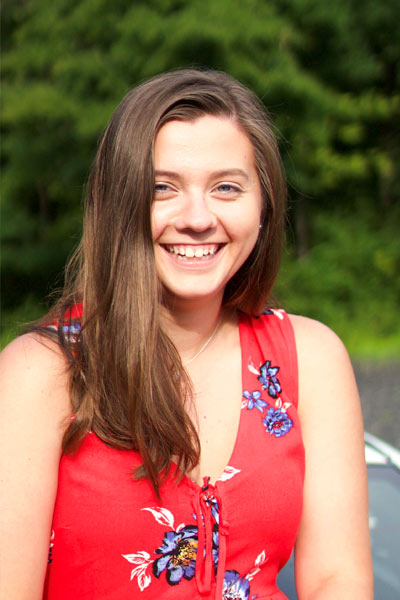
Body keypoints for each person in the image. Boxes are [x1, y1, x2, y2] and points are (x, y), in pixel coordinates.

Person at [0, 69, 372, 600]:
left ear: (263, 207)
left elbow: (339, 581)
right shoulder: (43, 372)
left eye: (226, 187)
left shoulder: (310, 360)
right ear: (118, 206)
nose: (197, 218)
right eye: (162, 188)